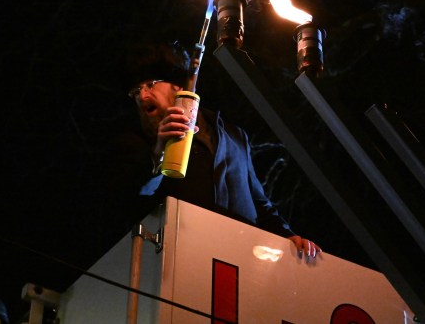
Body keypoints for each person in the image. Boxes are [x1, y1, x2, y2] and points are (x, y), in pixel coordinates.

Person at [107, 40, 321, 258]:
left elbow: (259, 202)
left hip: (244, 254)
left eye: (151, 84)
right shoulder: (136, 145)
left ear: (177, 87)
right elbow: (129, 201)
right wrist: (158, 153)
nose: (142, 96)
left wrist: (288, 236)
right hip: (182, 256)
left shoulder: (235, 136)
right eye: (136, 91)